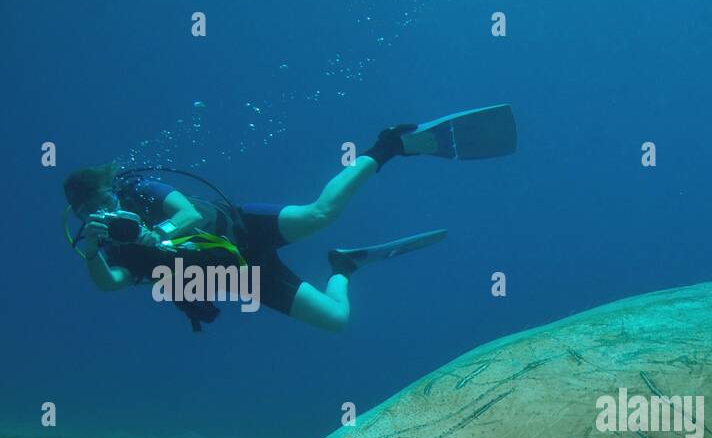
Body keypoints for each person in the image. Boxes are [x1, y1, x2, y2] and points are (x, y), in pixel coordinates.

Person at [62, 104, 516, 332]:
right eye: (85, 213)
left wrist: (151, 232)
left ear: (110, 187)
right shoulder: (107, 245)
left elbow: (185, 212)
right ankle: (344, 266)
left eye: (98, 200)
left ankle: (389, 146)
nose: (98, 213)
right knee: (337, 320)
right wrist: (90, 255)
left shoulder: (137, 191)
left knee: (319, 214)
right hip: (244, 277)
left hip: (240, 228)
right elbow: (111, 283)